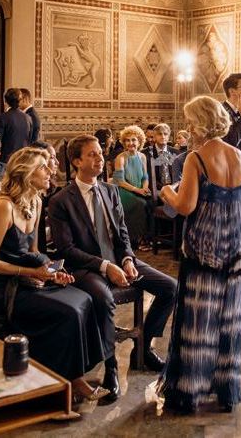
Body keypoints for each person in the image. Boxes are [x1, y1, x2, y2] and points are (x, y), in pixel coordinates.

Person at [49, 135, 177, 404]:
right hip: (86, 267)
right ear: (76, 162)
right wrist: (105, 266)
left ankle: (143, 349)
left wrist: (128, 259)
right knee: (104, 298)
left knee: (170, 288)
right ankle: (111, 368)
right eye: (92, 155)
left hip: (119, 259)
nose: (100, 159)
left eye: (100, 154)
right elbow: (65, 249)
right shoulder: (61, 200)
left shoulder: (109, 190)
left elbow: (122, 234)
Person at [157, 96, 241, 413]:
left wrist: (167, 193)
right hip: (238, 246)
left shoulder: (196, 158)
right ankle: (226, 388)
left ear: (200, 124)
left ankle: (190, 391)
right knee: (230, 319)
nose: (187, 128)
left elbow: (186, 206)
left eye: (190, 122)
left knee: (199, 320)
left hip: (204, 248)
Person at [0, 147, 108, 401]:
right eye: (43, 167)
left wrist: (51, 272)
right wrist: (32, 272)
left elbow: (35, 250)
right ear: (26, 173)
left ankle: (68, 376)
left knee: (84, 299)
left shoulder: (36, 201)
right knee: (67, 312)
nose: (51, 171)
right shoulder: (3, 207)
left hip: (28, 279)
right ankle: (58, 388)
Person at [112, 125, 151, 246]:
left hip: (139, 190)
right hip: (124, 191)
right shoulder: (121, 158)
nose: (130, 143)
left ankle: (147, 238)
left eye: (133, 140)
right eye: (127, 140)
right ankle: (134, 240)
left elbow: (145, 177)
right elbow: (120, 181)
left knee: (152, 202)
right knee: (141, 204)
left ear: (139, 141)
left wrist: (144, 187)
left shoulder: (142, 157)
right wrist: (138, 190)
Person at [0, 88, 32, 162]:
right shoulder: (28, 118)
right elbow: (29, 140)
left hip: (6, 160)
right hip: (23, 158)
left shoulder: (2, 118)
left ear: (5, 101)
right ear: (20, 100)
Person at [143, 123, 178, 197]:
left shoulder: (176, 152)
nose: (163, 137)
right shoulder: (146, 153)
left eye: (165, 134)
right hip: (155, 190)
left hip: (173, 189)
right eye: (160, 134)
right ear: (155, 137)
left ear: (169, 137)